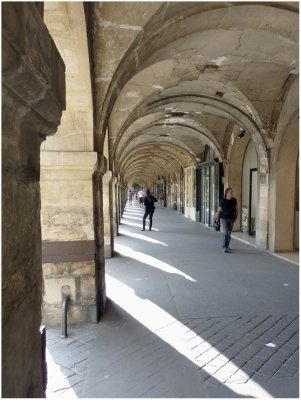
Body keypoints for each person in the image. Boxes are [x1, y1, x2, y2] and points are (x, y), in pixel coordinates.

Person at [217, 187, 238, 252]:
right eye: (231, 192)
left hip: (232, 218)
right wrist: (218, 220)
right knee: (225, 232)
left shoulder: (234, 200)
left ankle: (227, 246)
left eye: (232, 192)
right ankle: (225, 246)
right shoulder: (223, 200)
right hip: (224, 219)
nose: (232, 193)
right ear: (227, 193)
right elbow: (219, 210)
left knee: (229, 233)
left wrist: (236, 217)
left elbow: (236, 209)